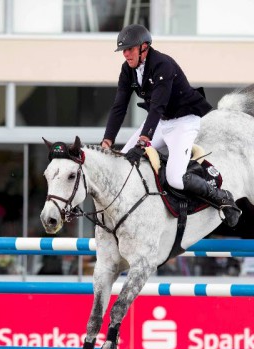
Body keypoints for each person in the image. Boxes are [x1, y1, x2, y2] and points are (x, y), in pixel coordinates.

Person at [100, 24, 241, 227]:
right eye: (123, 50)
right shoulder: (127, 70)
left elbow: (157, 106)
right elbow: (119, 106)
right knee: (124, 162)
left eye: (129, 49)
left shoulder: (163, 65)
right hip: (162, 121)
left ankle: (222, 197)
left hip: (184, 121)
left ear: (144, 47)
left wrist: (143, 142)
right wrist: (107, 140)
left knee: (175, 178)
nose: (125, 55)